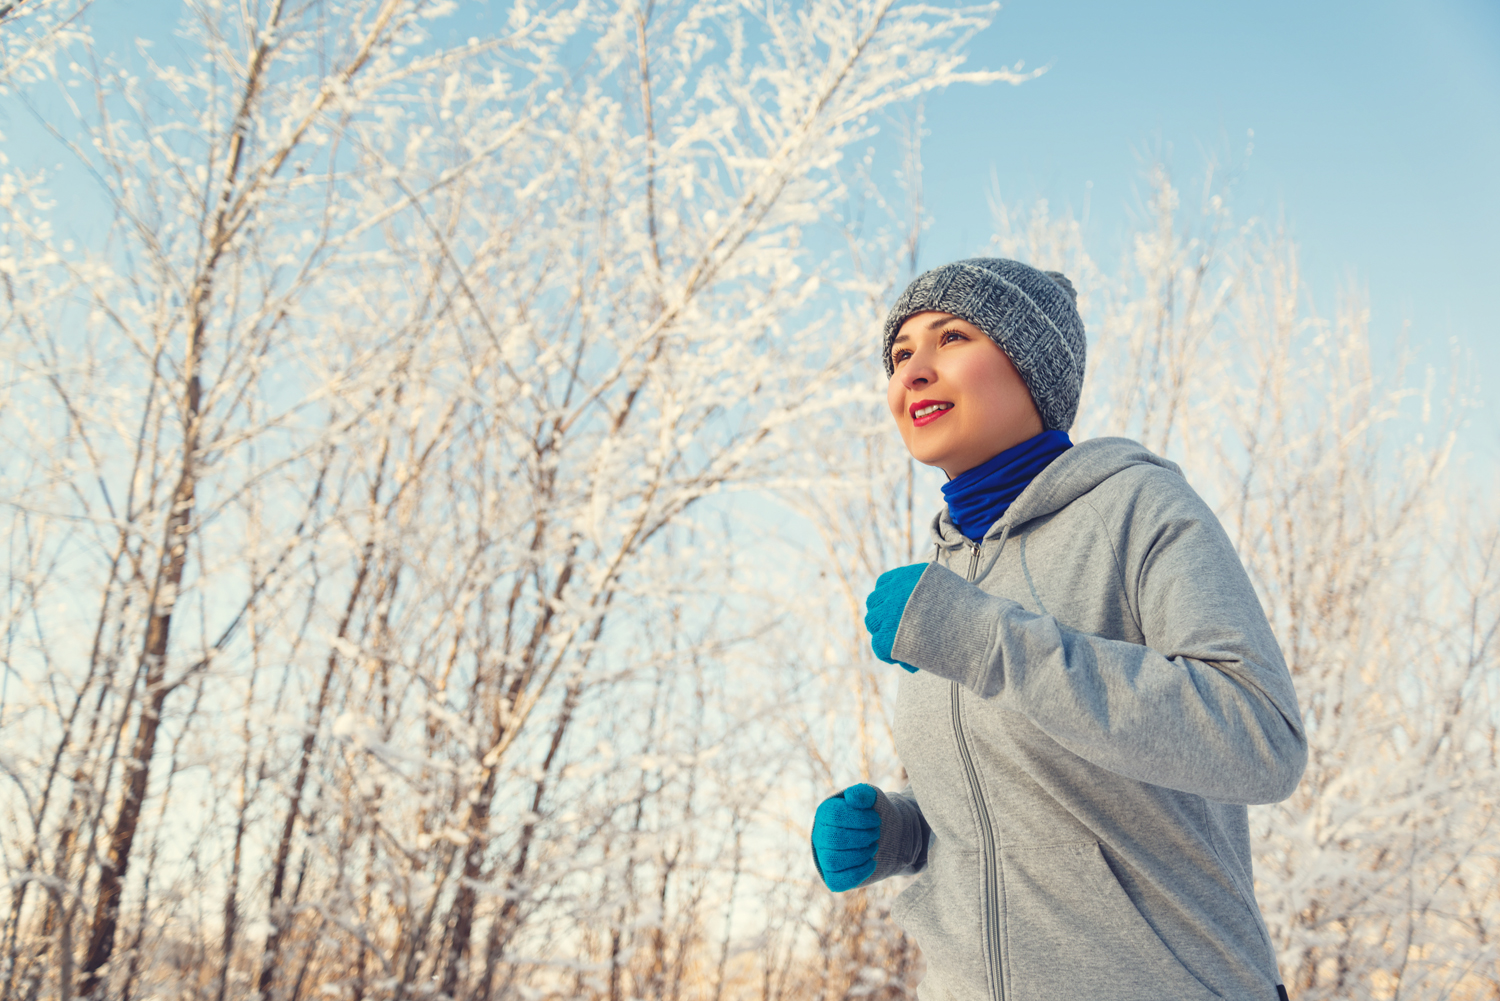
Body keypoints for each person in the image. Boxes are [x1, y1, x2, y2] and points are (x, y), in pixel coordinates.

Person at [810, 258, 1306, 1001]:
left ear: (1031, 366)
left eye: (951, 337)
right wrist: (905, 833)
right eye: (900, 353)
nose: (912, 371)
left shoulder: (1137, 508)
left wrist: (983, 639)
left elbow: (1259, 737)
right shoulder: (947, 576)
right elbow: (1026, 802)